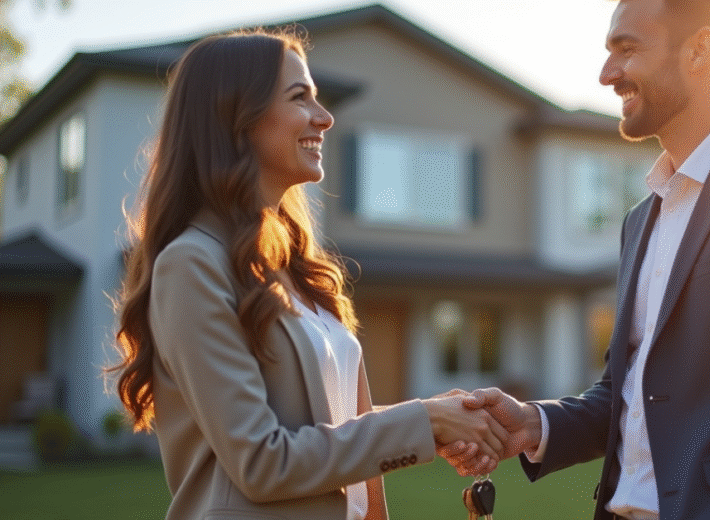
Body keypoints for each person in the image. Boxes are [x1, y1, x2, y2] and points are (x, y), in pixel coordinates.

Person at [443, 0, 710, 518]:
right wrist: (534, 424)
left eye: (626, 50)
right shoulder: (640, 220)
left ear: (701, 51)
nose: (607, 74)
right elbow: (629, 394)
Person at [109, 30, 503, 520]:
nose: (326, 117)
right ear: (237, 119)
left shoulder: (297, 271)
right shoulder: (191, 265)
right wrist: (423, 421)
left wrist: (439, 419)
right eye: (300, 97)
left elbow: (329, 428)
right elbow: (262, 461)